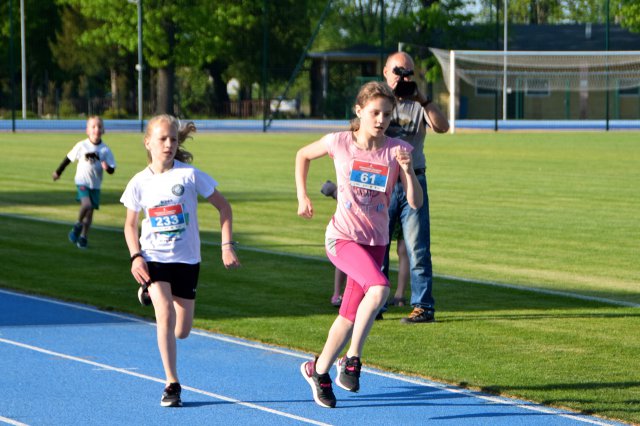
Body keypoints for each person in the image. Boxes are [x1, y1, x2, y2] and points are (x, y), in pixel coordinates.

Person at [295, 81, 423, 408]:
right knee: (379, 289)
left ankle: (318, 370)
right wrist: (303, 195)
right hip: (342, 238)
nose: (381, 119)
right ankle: (352, 360)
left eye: (387, 114)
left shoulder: (396, 150)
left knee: (349, 316)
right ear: (359, 111)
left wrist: (408, 172)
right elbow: (302, 155)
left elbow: (416, 202)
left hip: (375, 243)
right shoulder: (339, 142)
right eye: (374, 112)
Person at [120, 114, 240, 407]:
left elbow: (224, 208)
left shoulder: (189, 175)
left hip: (187, 261)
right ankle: (172, 383)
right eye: (162, 139)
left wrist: (226, 245)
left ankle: (149, 294)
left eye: (173, 139)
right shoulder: (138, 183)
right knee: (164, 314)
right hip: (154, 258)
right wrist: (136, 257)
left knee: (182, 330)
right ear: (148, 142)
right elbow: (130, 225)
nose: (169, 144)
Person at [382, 51, 450, 324]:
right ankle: (374, 304)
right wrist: (388, 97)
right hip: (383, 180)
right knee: (378, 244)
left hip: (414, 179)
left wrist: (423, 99)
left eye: (408, 72)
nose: (403, 77)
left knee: (417, 247)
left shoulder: (419, 102)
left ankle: (423, 307)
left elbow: (443, 127)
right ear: (385, 72)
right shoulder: (377, 100)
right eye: (397, 71)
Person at [52, 116, 116, 249]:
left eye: (99, 126)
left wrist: (107, 168)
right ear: (87, 130)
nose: (96, 129)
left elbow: (112, 168)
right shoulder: (82, 145)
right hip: (82, 182)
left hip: (95, 185)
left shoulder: (105, 150)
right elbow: (68, 159)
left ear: (103, 130)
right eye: (93, 126)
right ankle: (77, 224)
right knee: (86, 205)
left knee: (90, 214)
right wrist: (58, 172)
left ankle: (83, 237)